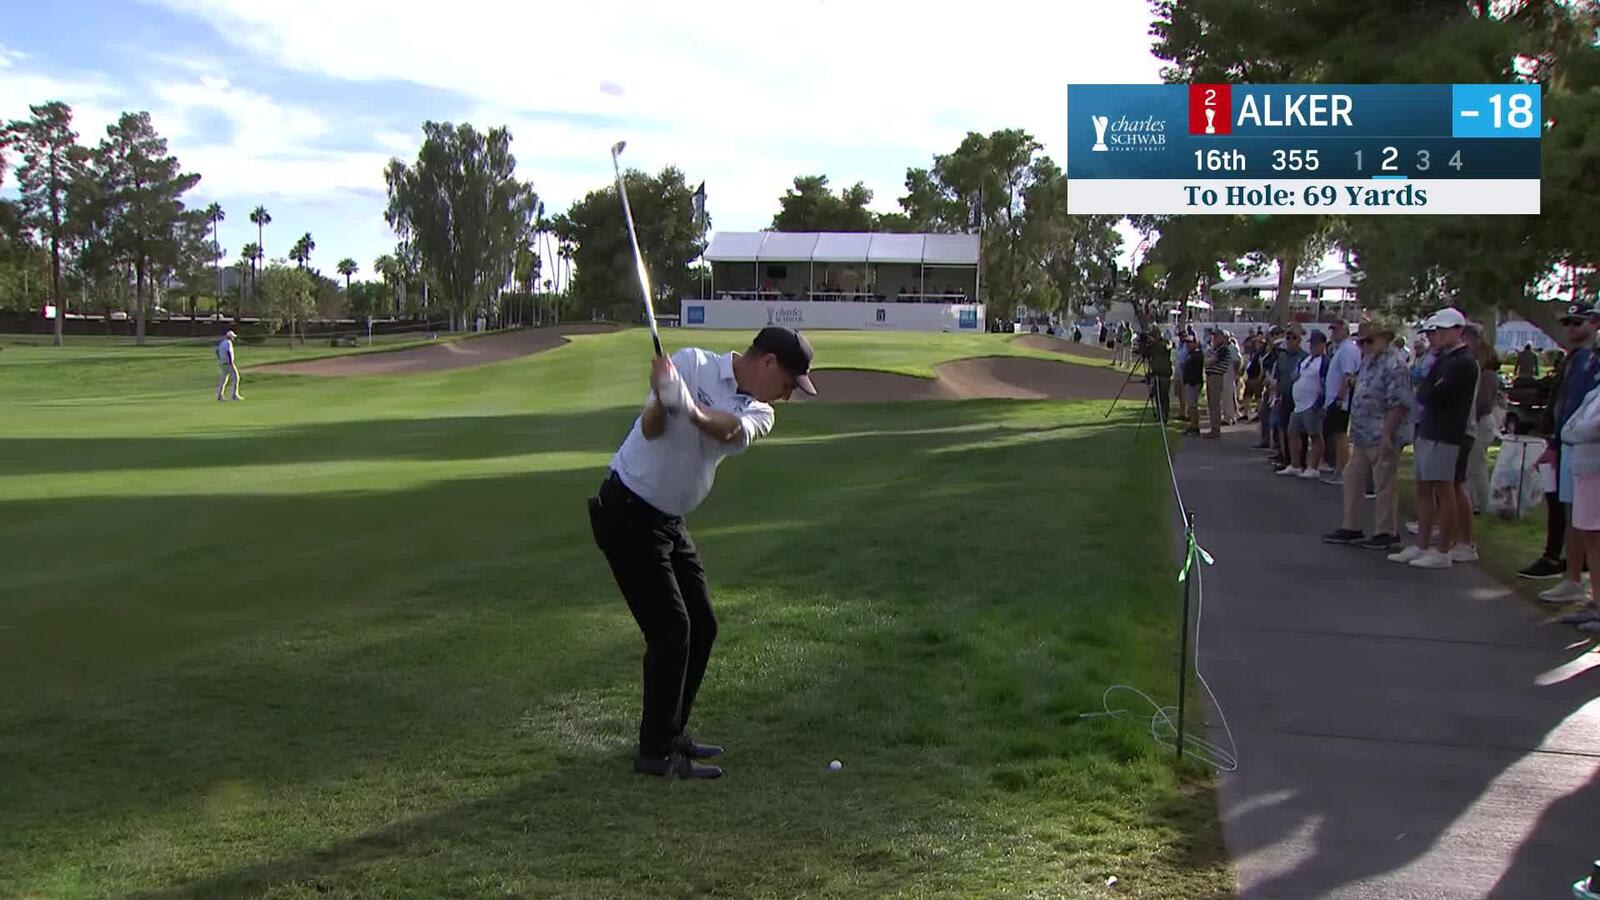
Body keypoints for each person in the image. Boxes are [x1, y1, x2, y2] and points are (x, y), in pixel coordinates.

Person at [587, 326, 817, 779]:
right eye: (789, 383)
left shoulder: (759, 410)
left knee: (703, 626)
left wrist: (688, 408)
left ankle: (670, 733)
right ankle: (654, 753)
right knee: (672, 630)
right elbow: (651, 429)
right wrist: (664, 397)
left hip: (669, 521)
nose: (787, 396)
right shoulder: (692, 363)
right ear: (768, 362)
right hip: (628, 510)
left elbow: (729, 431)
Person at [1390, 308, 1479, 569]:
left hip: (1447, 432)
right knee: (1424, 488)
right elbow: (1425, 387)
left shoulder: (1463, 361)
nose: (1435, 336)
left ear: (1458, 330)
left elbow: (1435, 394)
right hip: (1429, 428)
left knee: (1444, 488)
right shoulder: (1442, 358)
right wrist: (1428, 388)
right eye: (1433, 331)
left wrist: (1428, 389)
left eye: (1441, 330)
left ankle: (1442, 550)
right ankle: (1422, 544)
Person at [1322, 325, 1411, 550]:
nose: (1364, 347)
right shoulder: (1369, 361)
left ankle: (1386, 531)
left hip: (1382, 433)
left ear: (1383, 338)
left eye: (1368, 342)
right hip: (1362, 435)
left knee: (1384, 484)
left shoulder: (1395, 365)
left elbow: (1398, 403)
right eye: (1360, 343)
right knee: (1352, 476)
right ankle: (1351, 526)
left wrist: (1388, 435)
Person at [1535, 304, 1600, 603]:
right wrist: (1554, 441)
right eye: (1567, 323)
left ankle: (1578, 581)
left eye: (1578, 322)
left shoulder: (1589, 359)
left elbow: (1580, 406)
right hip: (1570, 442)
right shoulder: (1576, 358)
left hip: (1584, 443)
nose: (1571, 328)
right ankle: (1572, 577)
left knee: (1583, 519)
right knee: (1573, 513)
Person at [1279, 329, 1329, 478]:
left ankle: (1313, 467)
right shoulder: (1307, 360)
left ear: (1322, 345)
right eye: (1311, 344)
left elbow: (1325, 384)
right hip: (1298, 405)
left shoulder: (1324, 362)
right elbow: (1297, 374)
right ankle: (1295, 465)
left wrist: (1320, 404)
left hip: (1312, 404)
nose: (1312, 347)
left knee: (1314, 435)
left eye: (1316, 344)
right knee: (1292, 432)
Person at [1320, 320, 1362, 485]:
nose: (1334, 333)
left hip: (1341, 401)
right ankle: (1337, 467)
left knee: (1340, 435)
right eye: (1332, 330)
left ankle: (1342, 471)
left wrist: (1339, 397)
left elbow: (1348, 375)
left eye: (1337, 330)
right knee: (1335, 434)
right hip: (1334, 399)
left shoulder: (1348, 349)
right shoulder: (1340, 349)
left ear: (1345, 330)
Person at [1271, 330, 1308, 470]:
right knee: (1284, 427)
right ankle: (1287, 460)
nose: (1291, 340)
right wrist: (1277, 395)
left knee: (1300, 430)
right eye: (1288, 337)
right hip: (1285, 396)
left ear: (1299, 340)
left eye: (1294, 338)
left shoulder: (1304, 357)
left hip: (1299, 398)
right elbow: (1278, 378)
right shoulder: (1282, 357)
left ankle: (1301, 461)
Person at [1203, 329, 1234, 439]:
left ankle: (1216, 429)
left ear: (1222, 337)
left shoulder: (1223, 349)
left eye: (1216, 337)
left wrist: (1207, 360)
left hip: (1217, 377)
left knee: (1215, 404)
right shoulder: (1215, 349)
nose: (1214, 339)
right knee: (1211, 403)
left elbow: (1210, 361)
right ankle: (1213, 427)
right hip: (1211, 376)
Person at [1145, 330, 1173, 422]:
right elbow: (1145, 353)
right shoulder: (1154, 346)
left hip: (1164, 375)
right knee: (1157, 397)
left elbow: (1167, 346)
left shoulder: (1163, 344)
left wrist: (1152, 344)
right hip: (1156, 374)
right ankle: (1160, 415)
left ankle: (1165, 416)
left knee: (1164, 396)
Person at [1181, 333, 1205, 435]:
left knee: (1192, 405)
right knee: (1190, 405)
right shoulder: (1190, 354)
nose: (1188, 345)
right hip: (1190, 382)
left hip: (1194, 382)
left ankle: (1195, 426)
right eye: (1187, 343)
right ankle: (1192, 425)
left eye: (1190, 343)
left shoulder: (1198, 354)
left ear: (1195, 343)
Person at [215, 329, 242, 401]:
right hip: (228, 363)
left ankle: (220, 395)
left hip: (222, 363)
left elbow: (217, 351)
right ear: (230, 337)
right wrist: (231, 362)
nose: (233, 338)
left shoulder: (222, 343)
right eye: (232, 337)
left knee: (224, 379)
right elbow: (228, 352)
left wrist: (219, 359)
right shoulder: (228, 343)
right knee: (236, 378)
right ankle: (234, 395)